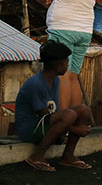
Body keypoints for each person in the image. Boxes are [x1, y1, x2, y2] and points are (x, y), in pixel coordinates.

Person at [34, 0, 99, 110]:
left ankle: (62, 120)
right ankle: (75, 121)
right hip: (85, 30)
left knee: (60, 76)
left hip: (62, 28)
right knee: (73, 76)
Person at [15, 41, 93, 172]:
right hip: (30, 129)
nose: (68, 65)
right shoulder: (36, 84)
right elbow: (44, 116)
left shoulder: (55, 80)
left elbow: (54, 111)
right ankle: (37, 156)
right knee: (70, 114)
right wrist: (74, 130)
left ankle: (68, 156)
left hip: (44, 123)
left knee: (83, 109)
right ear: (58, 66)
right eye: (66, 62)